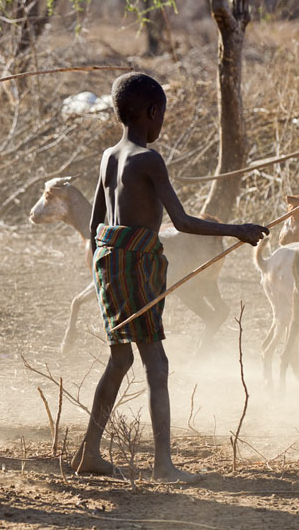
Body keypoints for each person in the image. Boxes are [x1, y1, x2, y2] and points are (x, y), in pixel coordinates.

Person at [71, 72, 268, 482]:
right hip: (136, 264)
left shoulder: (109, 156)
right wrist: (238, 230)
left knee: (121, 358)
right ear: (152, 112)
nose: (162, 122)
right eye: (162, 115)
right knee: (156, 364)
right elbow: (181, 221)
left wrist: (106, 268)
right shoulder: (149, 160)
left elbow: (94, 225)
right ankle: (163, 466)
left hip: (110, 263)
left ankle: (89, 452)